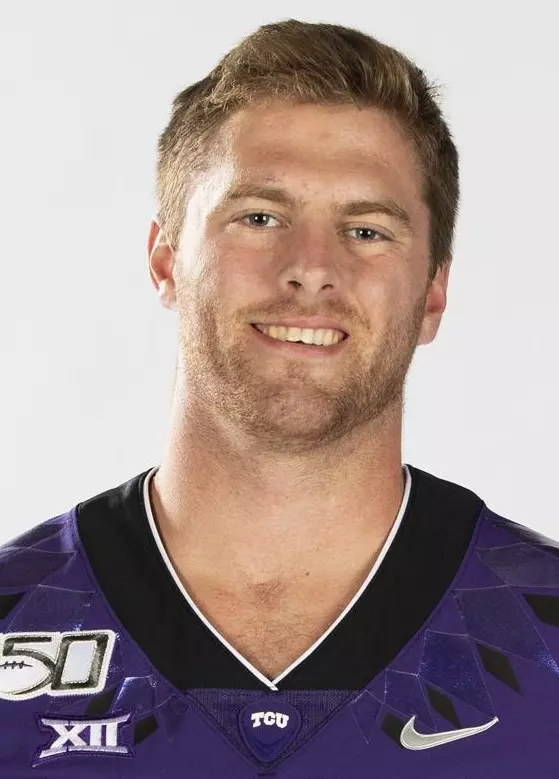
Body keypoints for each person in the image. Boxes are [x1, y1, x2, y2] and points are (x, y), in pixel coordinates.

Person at [1, 18, 558, 779]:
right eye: (258, 217)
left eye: (366, 230)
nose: (310, 268)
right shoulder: (13, 619)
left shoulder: (545, 633)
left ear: (432, 294)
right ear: (165, 260)